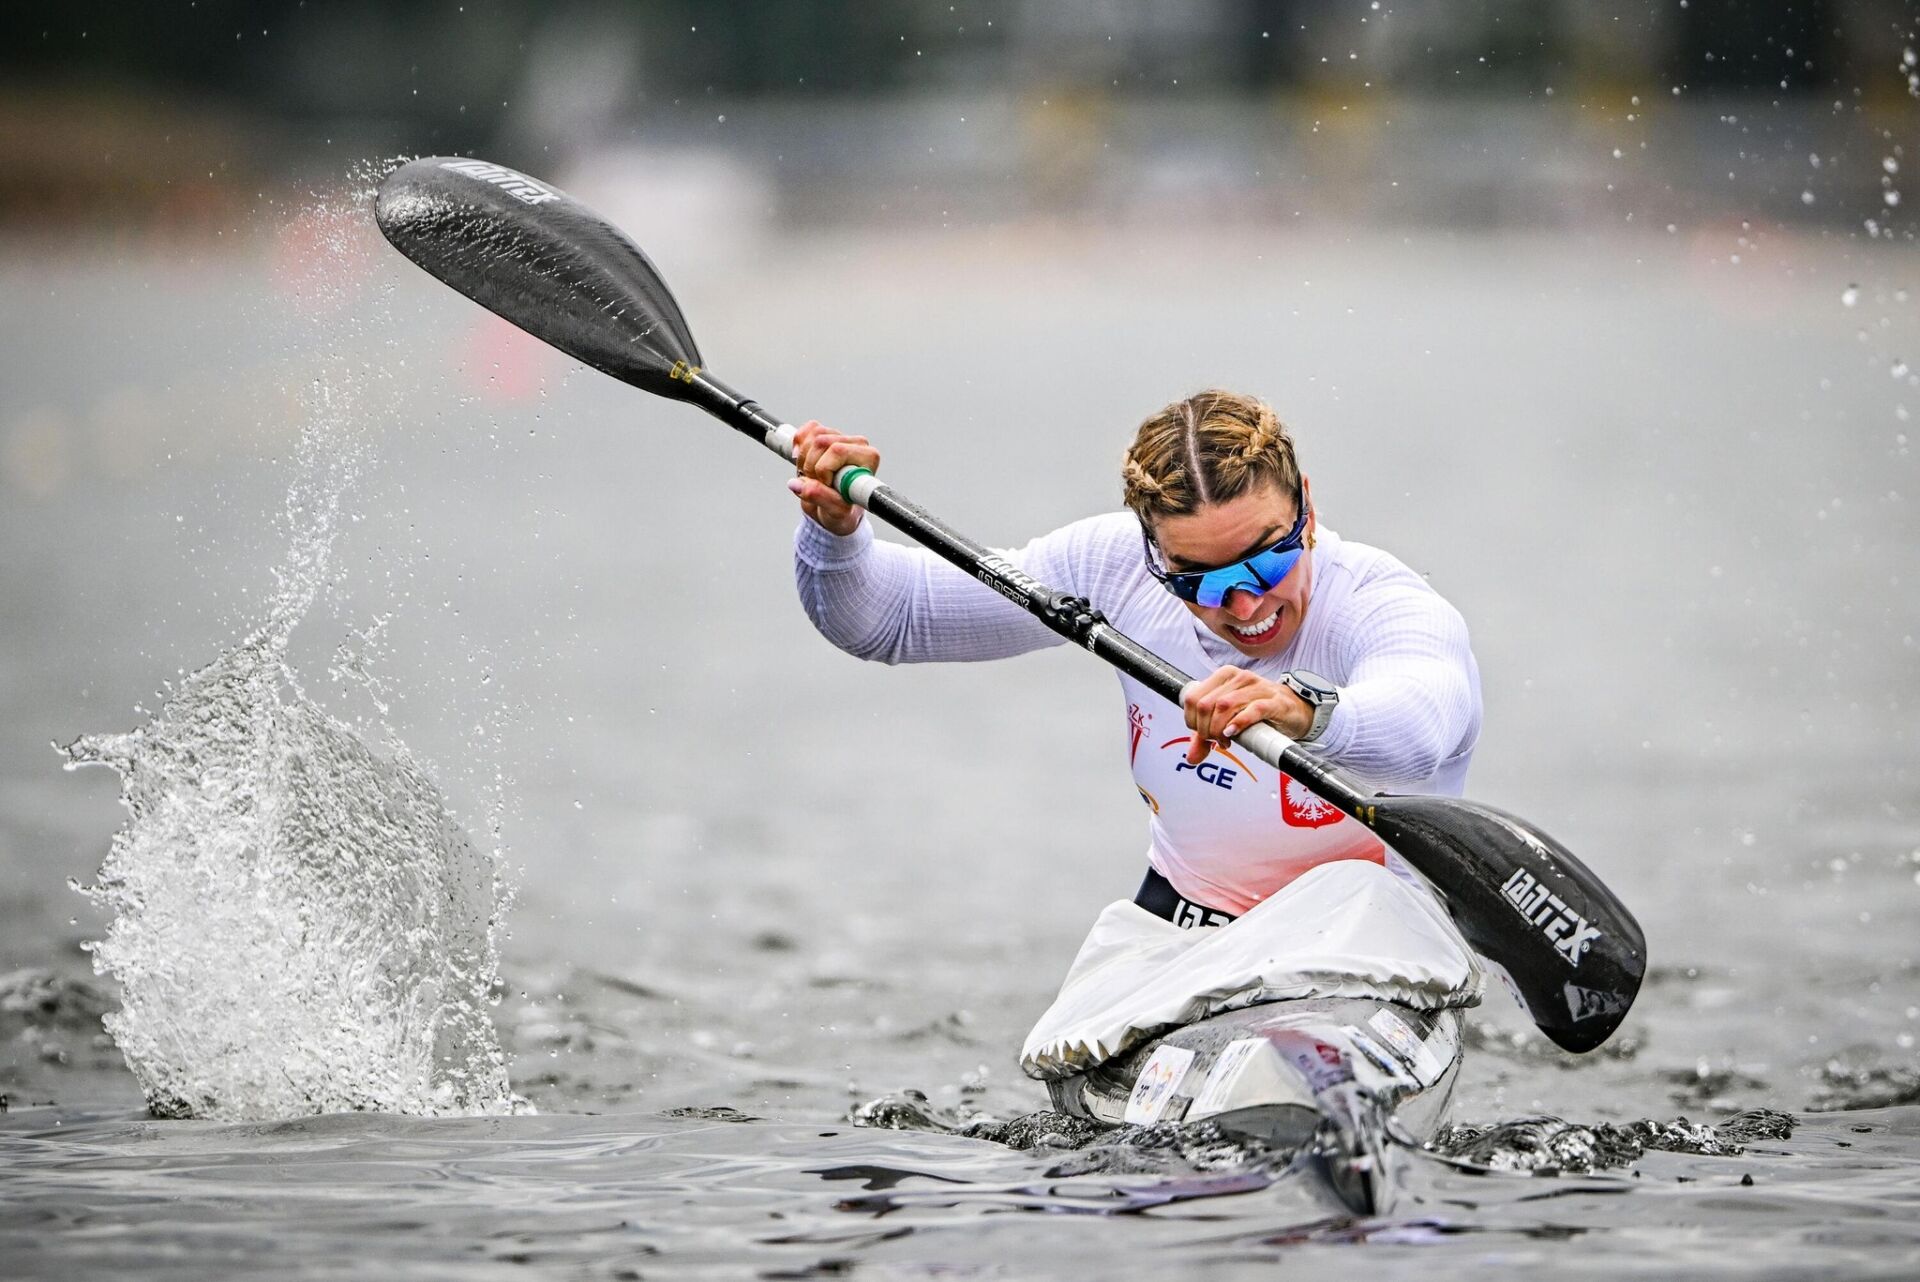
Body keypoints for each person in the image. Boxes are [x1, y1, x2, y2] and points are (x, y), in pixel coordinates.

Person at [787, 389, 1481, 929]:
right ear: (1153, 553)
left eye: (1267, 560)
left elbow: (1423, 725)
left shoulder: (1380, 601)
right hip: (1183, 925)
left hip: (1371, 935)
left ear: (1309, 507)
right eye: (1197, 580)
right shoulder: (1111, 566)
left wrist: (1302, 711)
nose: (1242, 605)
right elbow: (888, 621)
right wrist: (836, 535)